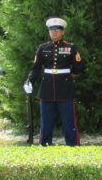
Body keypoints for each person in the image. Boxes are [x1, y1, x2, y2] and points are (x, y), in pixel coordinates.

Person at [23, 18, 85, 146]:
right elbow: (35, 68)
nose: (54, 33)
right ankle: (45, 147)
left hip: (65, 88)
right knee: (46, 122)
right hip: (47, 89)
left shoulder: (70, 47)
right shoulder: (43, 48)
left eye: (57, 30)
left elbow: (79, 66)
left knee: (68, 122)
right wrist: (29, 81)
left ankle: (73, 147)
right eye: (52, 30)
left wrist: (69, 75)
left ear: (62, 32)